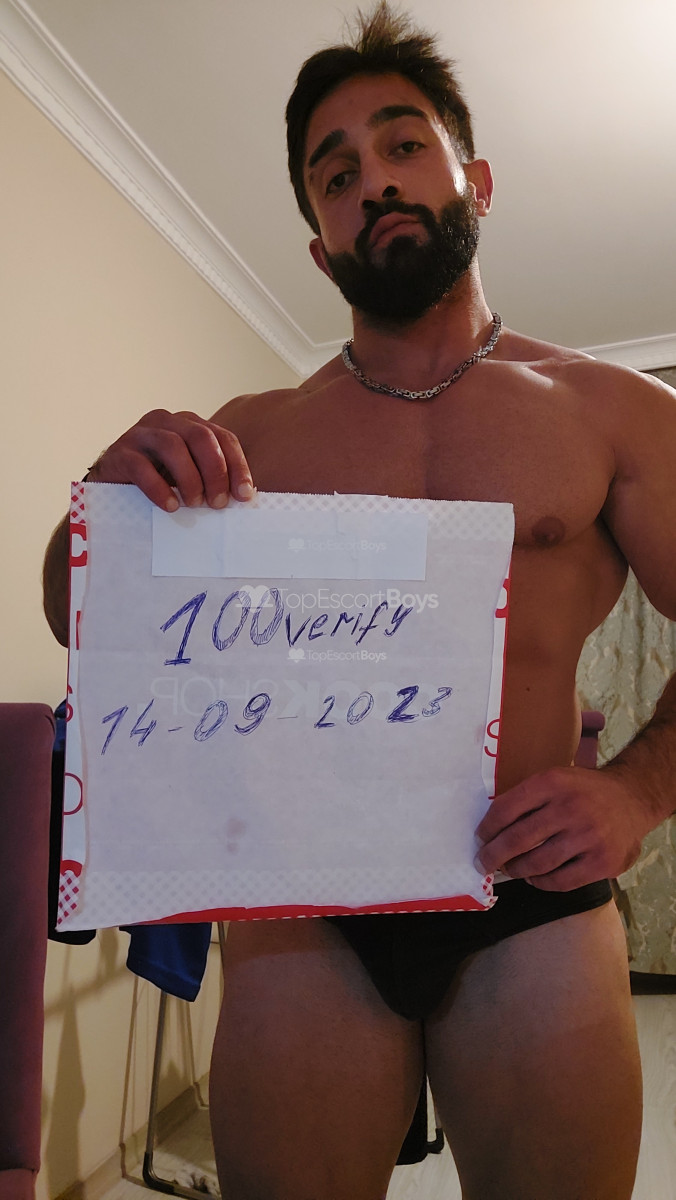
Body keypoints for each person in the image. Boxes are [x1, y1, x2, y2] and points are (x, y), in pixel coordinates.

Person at [43, 4, 676, 1197]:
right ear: (318, 247)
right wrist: (103, 503)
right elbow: (78, 614)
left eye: (402, 145)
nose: (372, 182)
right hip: (303, 913)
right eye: (334, 176)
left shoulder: (610, 412)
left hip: (527, 897)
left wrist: (637, 792)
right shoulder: (249, 436)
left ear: (473, 178)